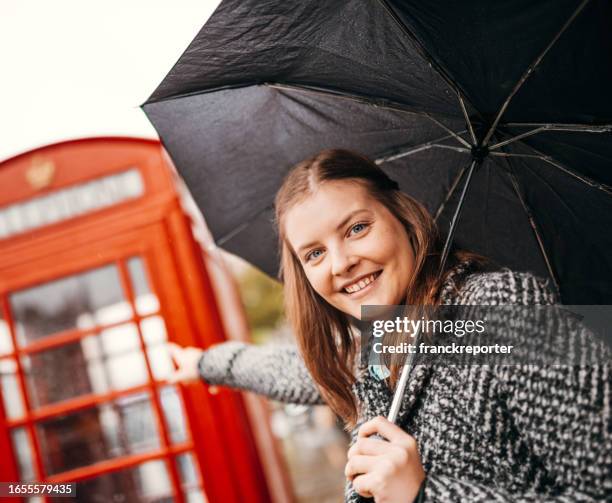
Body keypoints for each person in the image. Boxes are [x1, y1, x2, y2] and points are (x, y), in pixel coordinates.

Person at [168, 149, 611, 502]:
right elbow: (297, 371)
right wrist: (204, 362)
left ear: (401, 215)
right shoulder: (383, 339)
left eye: (357, 228)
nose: (341, 263)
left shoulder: (498, 309)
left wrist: (424, 494)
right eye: (315, 254)